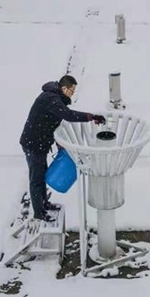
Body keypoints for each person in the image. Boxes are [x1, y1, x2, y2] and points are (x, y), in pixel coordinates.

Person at [20, 75, 106, 222]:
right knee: (36, 179)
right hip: (33, 144)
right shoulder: (51, 99)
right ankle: (39, 213)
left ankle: (44, 204)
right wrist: (92, 117)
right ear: (64, 88)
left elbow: (47, 121)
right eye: (72, 91)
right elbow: (68, 115)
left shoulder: (53, 97)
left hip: (39, 142)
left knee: (41, 174)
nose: (72, 94)